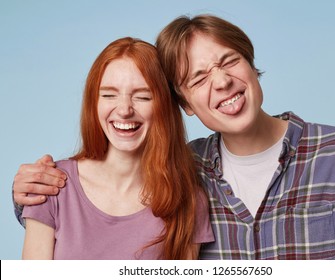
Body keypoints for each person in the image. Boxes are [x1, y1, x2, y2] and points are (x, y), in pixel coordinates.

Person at [13, 15, 335, 260]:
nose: (222, 82)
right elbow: (105, 198)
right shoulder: (183, 171)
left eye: (228, 62)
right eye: (198, 78)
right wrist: (32, 197)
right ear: (186, 105)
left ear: (252, 65)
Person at [19, 37, 214, 260]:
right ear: (94, 103)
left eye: (142, 96)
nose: (124, 110)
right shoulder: (51, 185)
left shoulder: (188, 200)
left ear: (165, 107)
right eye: (109, 95)